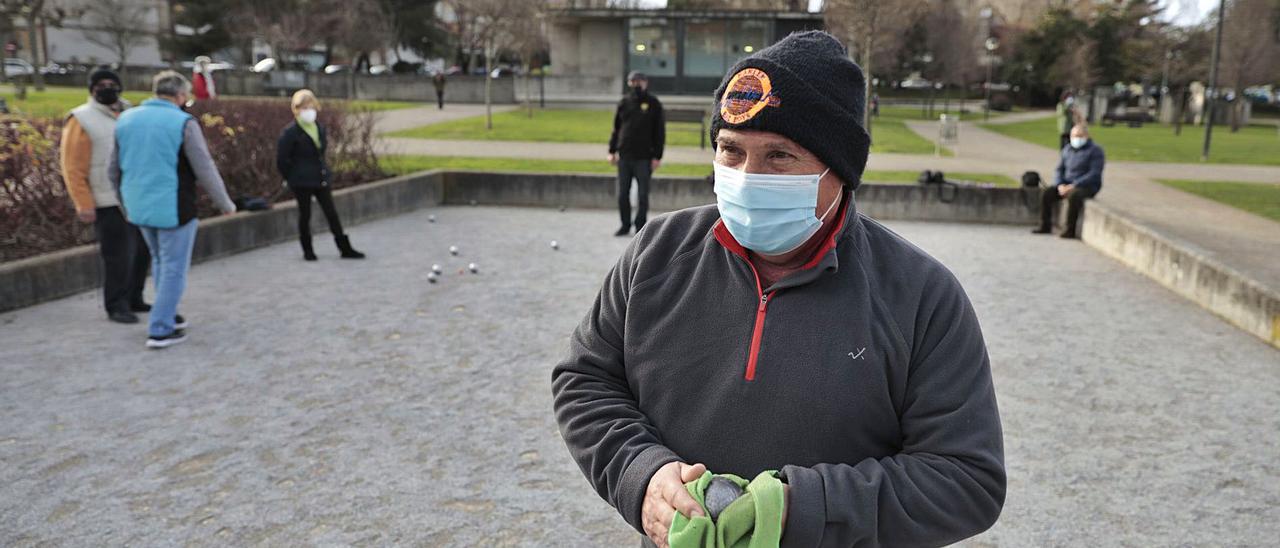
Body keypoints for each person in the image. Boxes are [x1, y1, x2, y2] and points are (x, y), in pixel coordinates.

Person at [553, 31, 1005, 548]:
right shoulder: (656, 253)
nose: (747, 177)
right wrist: (641, 474)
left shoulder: (923, 295)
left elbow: (967, 479)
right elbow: (585, 381)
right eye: (730, 150)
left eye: (779, 156)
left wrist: (806, 508)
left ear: (840, 172)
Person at [109, 71, 237, 349]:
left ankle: (166, 312)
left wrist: (124, 202)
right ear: (180, 95)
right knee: (174, 268)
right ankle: (161, 327)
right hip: (173, 206)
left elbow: (114, 170)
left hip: (139, 205)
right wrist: (225, 203)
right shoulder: (183, 123)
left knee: (160, 261)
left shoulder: (126, 120)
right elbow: (204, 168)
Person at [59, 67, 150, 324]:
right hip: (106, 200)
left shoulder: (129, 113)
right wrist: (83, 203)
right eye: (101, 84)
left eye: (112, 83)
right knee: (117, 256)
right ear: (92, 90)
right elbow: (72, 166)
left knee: (141, 251)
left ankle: (135, 297)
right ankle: (116, 304)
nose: (107, 88)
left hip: (135, 196)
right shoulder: (81, 119)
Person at [275, 89, 365, 261]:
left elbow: (320, 153)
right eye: (304, 107)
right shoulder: (290, 133)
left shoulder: (318, 128)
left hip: (319, 177)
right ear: (297, 109)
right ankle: (308, 249)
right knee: (305, 214)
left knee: (331, 212)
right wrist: (291, 176)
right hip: (301, 180)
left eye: (311, 106)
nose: (309, 110)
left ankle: (344, 247)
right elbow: (282, 160)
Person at [607, 70, 665, 236]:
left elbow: (659, 132)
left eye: (639, 81)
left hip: (644, 157)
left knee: (642, 195)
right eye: (633, 81)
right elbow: (616, 129)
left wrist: (657, 156)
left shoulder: (653, 103)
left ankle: (640, 227)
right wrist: (612, 150)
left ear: (645, 82)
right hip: (624, 156)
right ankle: (625, 224)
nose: (636, 84)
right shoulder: (624, 102)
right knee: (622, 193)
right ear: (628, 83)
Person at [1033, 124, 1105, 239]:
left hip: (1087, 186)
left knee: (1074, 196)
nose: (1076, 139)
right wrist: (1060, 184)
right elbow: (1059, 169)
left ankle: (1069, 230)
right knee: (1047, 193)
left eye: (1079, 136)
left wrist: (1074, 185)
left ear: (1087, 136)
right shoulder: (1067, 149)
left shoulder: (1096, 151)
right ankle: (1045, 225)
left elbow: (1094, 173)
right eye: (1074, 136)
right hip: (1066, 184)